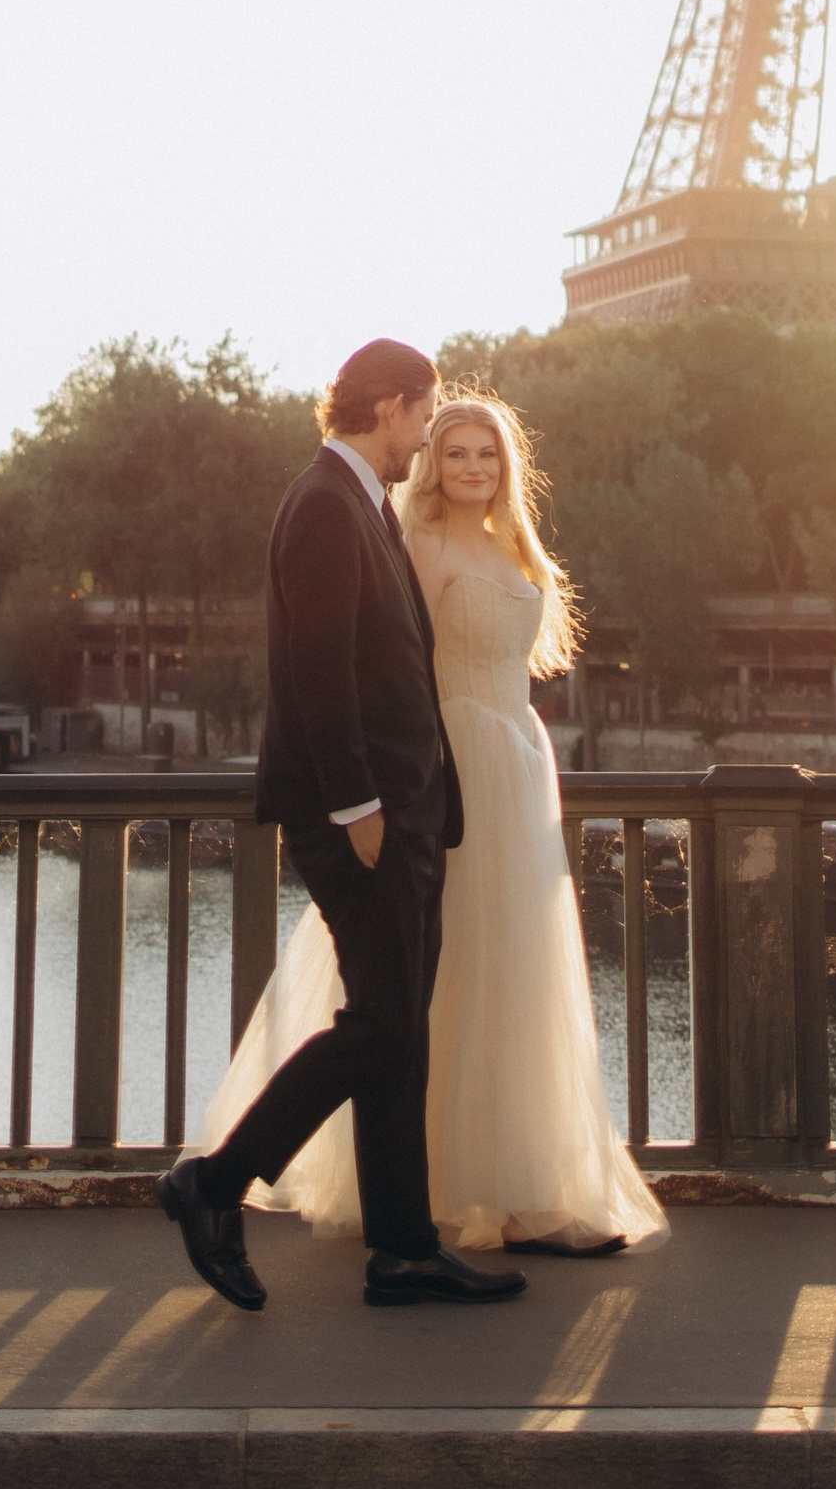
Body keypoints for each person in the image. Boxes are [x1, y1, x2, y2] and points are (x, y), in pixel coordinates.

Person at [200, 390, 666, 1258]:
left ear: (507, 465)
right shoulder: (408, 541)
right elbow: (374, 664)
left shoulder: (515, 548)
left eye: (486, 454)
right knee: (427, 991)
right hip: (450, 767)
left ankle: (523, 1192)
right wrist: (371, 795)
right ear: (425, 451)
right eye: (452, 450)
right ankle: (431, 1200)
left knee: (514, 972)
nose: (469, 467)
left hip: (518, 767)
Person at [158, 338, 527, 1312]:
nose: (427, 434)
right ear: (393, 406)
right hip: (365, 817)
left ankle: (403, 1248)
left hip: (403, 810)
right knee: (383, 1025)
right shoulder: (325, 504)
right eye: (426, 414)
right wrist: (359, 808)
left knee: (395, 1031)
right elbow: (317, 672)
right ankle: (214, 1181)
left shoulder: (355, 500)